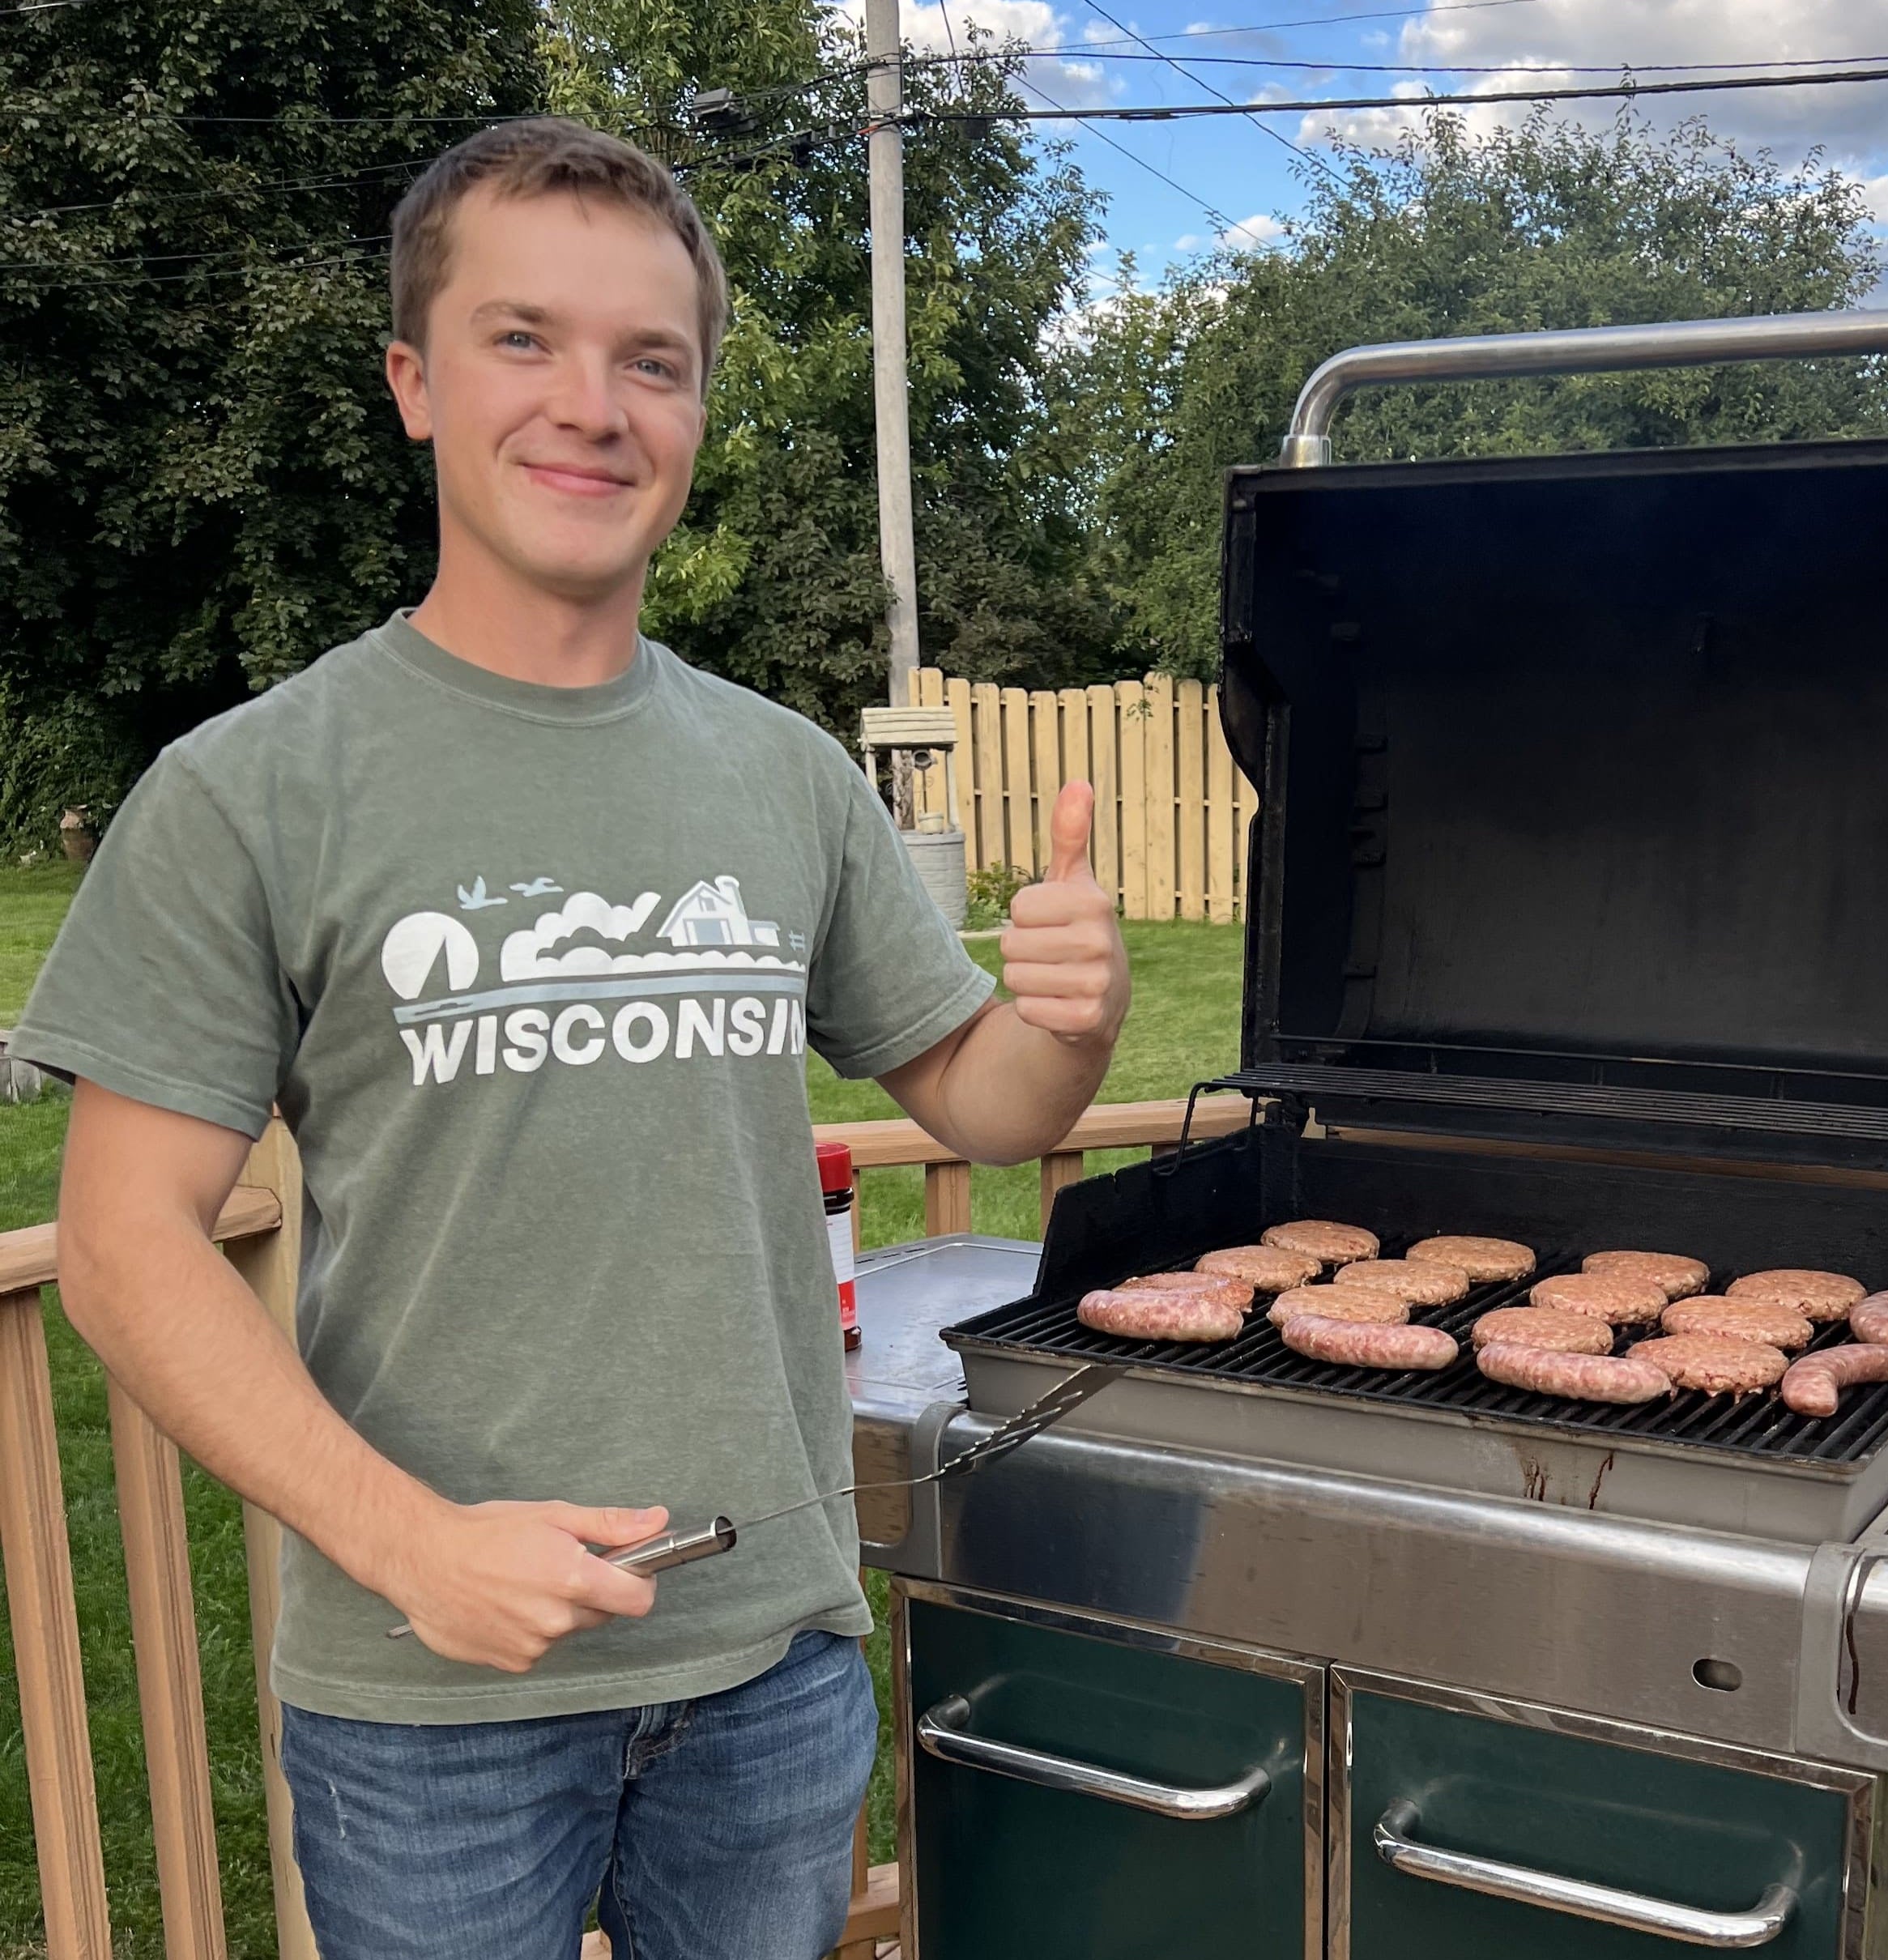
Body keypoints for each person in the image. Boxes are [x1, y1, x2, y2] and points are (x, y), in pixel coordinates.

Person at [15, 117, 1130, 1960]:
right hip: (425, 1698)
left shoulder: (780, 771)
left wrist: (1068, 1027)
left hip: (768, 1664)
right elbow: (128, 1252)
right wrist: (409, 1545)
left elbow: (983, 1100)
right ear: (414, 383)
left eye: (652, 361)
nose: (592, 404)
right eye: (523, 338)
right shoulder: (249, 790)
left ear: (693, 413)